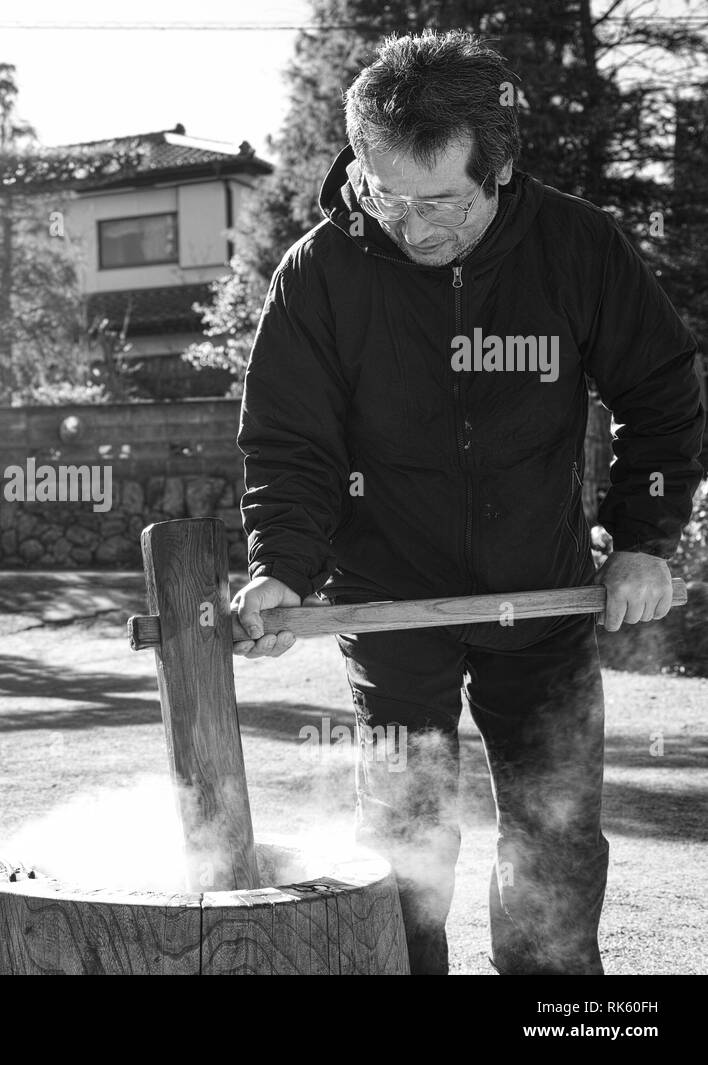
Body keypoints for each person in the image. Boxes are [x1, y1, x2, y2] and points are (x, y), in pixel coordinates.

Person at [230, 29, 705, 975]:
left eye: (442, 202)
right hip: (391, 603)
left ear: (501, 171)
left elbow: (662, 396)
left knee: (555, 837)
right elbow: (291, 447)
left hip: (543, 599)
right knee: (405, 841)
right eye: (387, 197)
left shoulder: (576, 245)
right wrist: (279, 566)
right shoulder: (321, 273)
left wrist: (645, 540)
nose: (413, 228)